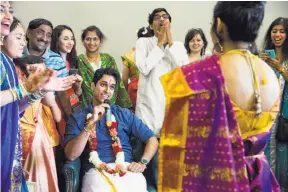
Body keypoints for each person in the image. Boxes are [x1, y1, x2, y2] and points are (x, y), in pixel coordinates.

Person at [158, 2, 281, 191]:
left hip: (221, 178)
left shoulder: (202, 74)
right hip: (259, 177)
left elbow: (184, 144)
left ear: (219, 25)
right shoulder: (270, 73)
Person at [1, 14, 75, 192]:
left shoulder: (9, 64)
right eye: (18, 38)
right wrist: (24, 89)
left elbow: (12, 110)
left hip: (10, 137)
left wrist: (37, 93)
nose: (22, 43)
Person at [64, 67, 158, 192]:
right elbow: (71, 155)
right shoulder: (78, 117)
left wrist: (142, 163)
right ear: (93, 86)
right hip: (96, 172)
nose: (107, 90)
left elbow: (152, 139)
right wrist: (90, 124)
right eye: (103, 85)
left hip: (126, 169)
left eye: (112, 87)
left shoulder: (123, 114)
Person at [135, 8, 189, 191]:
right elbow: (143, 67)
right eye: (157, 18)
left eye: (165, 17)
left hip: (170, 111)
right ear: (151, 25)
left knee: (165, 166)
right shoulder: (143, 43)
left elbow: (183, 72)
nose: (161, 20)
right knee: (144, 161)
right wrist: (159, 45)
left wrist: (170, 45)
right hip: (147, 110)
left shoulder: (179, 46)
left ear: (170, 23)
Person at [15, 55, 61, 192]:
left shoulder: (41, 91)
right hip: (22, 139)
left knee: (44, 180)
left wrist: (48, 92)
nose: (42, 77)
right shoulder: (18, 92)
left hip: (41, 139)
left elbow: (57, 117)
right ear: (24, 76)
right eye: (37, 73)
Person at [260, 17, 288, 192]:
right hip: (267, 115)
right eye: (274, 31)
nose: (277, 35)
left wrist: (280, 68)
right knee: (265, 153)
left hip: (285, 116)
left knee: (283, 153)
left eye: (282, 31)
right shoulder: (265, 55)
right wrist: (258, 66)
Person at [78, 25, 132, 108]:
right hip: (87, 107)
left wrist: (125, 107)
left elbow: (118, 85)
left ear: (101, 42)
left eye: (95, 39)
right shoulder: (79, 61)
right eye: (88, 39)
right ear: (83, 42)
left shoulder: (109, 59)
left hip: (110, 105)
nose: (92, 43)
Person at [50, 24, 83, 139]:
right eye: (65, 39)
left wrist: (78, 87)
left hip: (75, 106)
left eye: (72, 38)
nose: (70, 42)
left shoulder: (73, 61)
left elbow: (77, 93)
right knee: (65, 139)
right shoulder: (51, 62)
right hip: (60, 107)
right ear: (56, 41)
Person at [121, 26, 153, 111]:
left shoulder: (130, 54)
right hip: (151, 91)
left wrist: (125, 97)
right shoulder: (155, 53)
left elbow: (124, 79)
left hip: (134, 92)